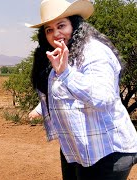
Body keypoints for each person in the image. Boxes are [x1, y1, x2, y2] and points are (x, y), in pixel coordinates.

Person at [26, 0, 137, 179]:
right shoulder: (62, 54)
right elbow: (61, 92)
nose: (56, 34)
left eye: (61, 25)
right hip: (76, 148)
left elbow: (103, 97)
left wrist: (65, 73)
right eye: (49, 29)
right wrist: (41, 107)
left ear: (75, 24)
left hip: (108, 150)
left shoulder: (94, 52)